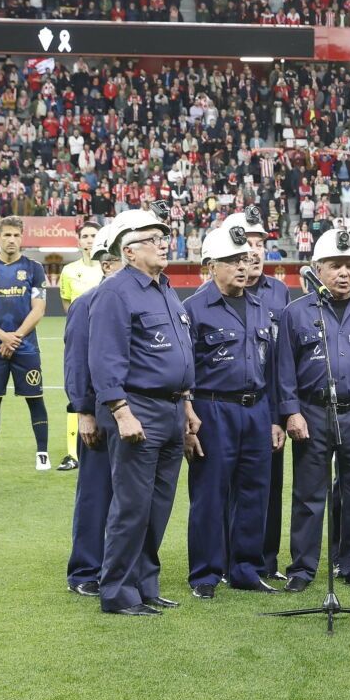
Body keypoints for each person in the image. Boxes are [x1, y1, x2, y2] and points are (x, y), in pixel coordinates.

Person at [88, 209, 200, 615]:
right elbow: (104, 358)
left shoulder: (166, 289)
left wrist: (186, 406)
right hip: (139, 408)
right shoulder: (115, 292)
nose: (163, 243)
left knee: (158, 506)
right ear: (130, 251)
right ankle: (117, 591)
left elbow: (179, 355)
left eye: (163, 237)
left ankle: (145, 584)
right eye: (153, 238)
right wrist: (121, 411)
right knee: (132, 505)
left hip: (172, 409)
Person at [276, 225, 350, 592]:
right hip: (312, 414)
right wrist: (291, 412)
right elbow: (284, 369)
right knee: (309, 494)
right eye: (335, 265)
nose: (344, 273)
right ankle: (303, 568)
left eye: (349, 265)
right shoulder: (295, 313)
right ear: (317, 268)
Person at [184, 214, 282, 599]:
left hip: (256, 408)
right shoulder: (193, 308)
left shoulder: (261, 307)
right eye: (232, 260)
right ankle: (206, 574)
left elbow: (271, 368)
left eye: (245, 258)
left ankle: (246, 568)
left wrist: (274, 417)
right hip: (213, 409)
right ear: (211, 266)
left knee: (255, 490)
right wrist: (187, 417)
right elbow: (186, 369)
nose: (242, 266)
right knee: (209, 492)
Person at [63, 222, 122, 596]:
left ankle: (120, 566)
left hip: (138, 413)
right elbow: (76, 364)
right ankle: (85, 570)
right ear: (106, 265)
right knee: (95, 492)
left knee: (130, 496)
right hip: (100, 414)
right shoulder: (85, 305)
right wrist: (84, 412)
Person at [0, 217, 51, 472]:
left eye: (16, 235)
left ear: (22, 237)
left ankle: (42, 454)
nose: (12, 240)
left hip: (26, 345)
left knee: (35, 398)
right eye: (7, 235)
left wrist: (14, 337)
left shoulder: (34, 268)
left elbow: (39, 309)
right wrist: (3, 336)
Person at [244, 205, 291, 580]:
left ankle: (267, 560)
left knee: (270, 485)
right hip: (227, 403)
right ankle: (231, 557)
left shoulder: (280, 292)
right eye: (247, 241)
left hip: (267, 405)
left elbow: (283, 361)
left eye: (260, 243)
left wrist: (280, 414)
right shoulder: (213, 292)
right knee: (229, 485)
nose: (256, 250)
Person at [57, 221, 105, 469]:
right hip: (81, 337)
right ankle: (71, 453)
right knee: (77, 389)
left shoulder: (106, 269)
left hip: (104, 337)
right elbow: (69, 306)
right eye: (84, 236)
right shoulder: (68, 271)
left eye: (93, 235)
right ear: (78, 241)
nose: (89, 240)